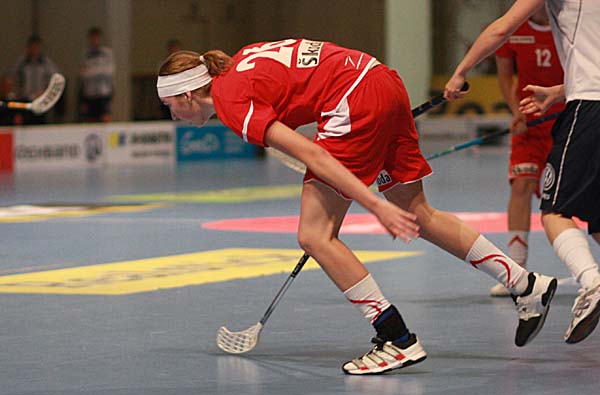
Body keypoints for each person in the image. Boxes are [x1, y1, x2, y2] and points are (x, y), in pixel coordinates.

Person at [158, 39, 557, 375]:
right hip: (380, 79)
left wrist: (373, 204)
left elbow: (313, 155)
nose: (172, 115)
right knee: (419, 213)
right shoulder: (240, 62)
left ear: (188, 94)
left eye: (170, 105)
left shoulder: (230, 103)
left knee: (315, 235)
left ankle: (396, 338)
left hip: (352, 102)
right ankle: (525, 284)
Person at [445, 0, 600, 344]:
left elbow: (502, 28)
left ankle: (592, 284)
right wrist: (559, 91)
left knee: (555, 211)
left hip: (590, 107)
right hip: (581, 95)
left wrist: (460, 72)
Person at [489, 6, 565, 297]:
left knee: (572, 198)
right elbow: (505, 76)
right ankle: (516, 271)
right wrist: (515, 110)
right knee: (521, 185)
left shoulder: (569, 23)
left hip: (566, 120)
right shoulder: (513, 28)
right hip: (529, 124)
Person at [9, 34, 60, 124]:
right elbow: (13, 78)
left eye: (37, 47)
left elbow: (56, 79)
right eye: (32, 47)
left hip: (40, 100)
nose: (34, 49)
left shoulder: (46, 63)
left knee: (40, 123)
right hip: (25, 99)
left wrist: (45, 92)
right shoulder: (22, 63)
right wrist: (18, 93)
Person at [79, 27, 114, 122]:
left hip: (104, 92)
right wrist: (98, 71)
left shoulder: (107, 53)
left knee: (105, 117)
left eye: (97, 38)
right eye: (93, 38)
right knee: (90, 119)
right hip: (89, 92)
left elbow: (108, 72)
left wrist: (91, 71)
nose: (95, 40)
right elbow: (83, 74)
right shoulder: (85, 54)